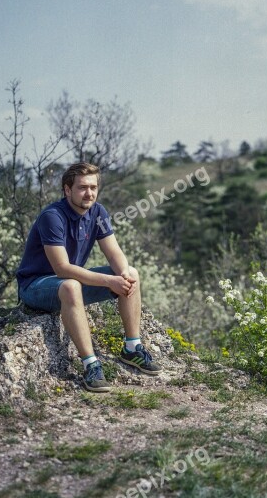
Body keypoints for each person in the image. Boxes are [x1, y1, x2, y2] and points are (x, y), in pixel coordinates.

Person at [16, 162, 162, 392]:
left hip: (68, 284)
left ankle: (132, 348)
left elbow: (114, 252)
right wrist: (108, 281)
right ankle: (91, 365)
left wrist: (122, 273)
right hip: (36, 285)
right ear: (67, 190)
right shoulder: (52, 216)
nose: (89, 193)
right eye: (82, 187)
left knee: (131, 273)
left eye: (93, 187)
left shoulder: (98, 212)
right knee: (71, 286)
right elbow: (62, 268)